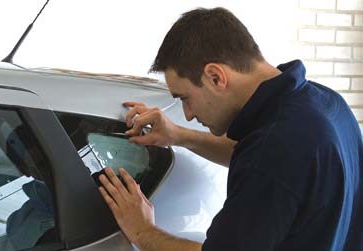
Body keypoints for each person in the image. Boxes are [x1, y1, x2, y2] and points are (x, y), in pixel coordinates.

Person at [98, 7, 363, 251]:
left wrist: (142, 232)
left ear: (216, 77)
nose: (188, 115)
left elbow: (269, 162)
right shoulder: (326, 104)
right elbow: (266, 159)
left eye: (184, 98)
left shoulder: (274, 149)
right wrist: (178, 136)